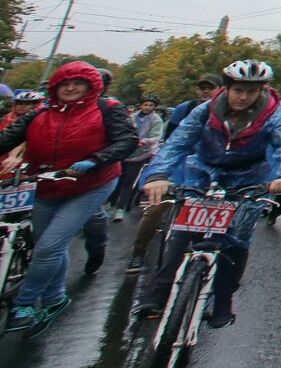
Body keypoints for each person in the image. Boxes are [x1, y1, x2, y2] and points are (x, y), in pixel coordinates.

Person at [133, 60, 281, 328]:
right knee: (184, 231)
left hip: (249, 177)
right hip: (203, 171)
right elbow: (178, 143)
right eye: (238, 90)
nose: (243, 97)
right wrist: (158, 175)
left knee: (237, 239)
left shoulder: (272, 114)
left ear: (261, 92)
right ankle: (158, 293)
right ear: (226, 89)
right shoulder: (205, 110)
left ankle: (223, 300)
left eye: (251, 92)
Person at [0, 62, 137, 337]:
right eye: (65, 84)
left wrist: (94, 161)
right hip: (46, 185)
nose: (71, 88)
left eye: (78, 84)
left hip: (90, 184)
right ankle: (54, 298)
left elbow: (127, 140)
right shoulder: (41, 112)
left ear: (91, 86)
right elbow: (7, 138)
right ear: (55, 87)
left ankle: (24, 304)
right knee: (50, 245)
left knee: (48, 247)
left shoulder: (109, 109)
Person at [125, 77, 219, 273]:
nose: (205, 92)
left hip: (208, 167)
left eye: (210, 88)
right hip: (179, 165)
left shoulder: (229, 110)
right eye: (201, 88)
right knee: (156, 209)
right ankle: (138, 253)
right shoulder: (185, 108)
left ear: (220, 89)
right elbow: (172, 141)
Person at [108, 94, 164, 222]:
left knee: (129, 180)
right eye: (145, 105)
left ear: (154, 107)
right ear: (141, 105)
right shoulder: (132, 117)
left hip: (141, 153)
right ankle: (112, 203)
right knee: (117, 177)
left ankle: (120, 208)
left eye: (151, 105)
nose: (147, 107)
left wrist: (143, 141)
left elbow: (155, 137)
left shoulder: (156, 120)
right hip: (126, 151)